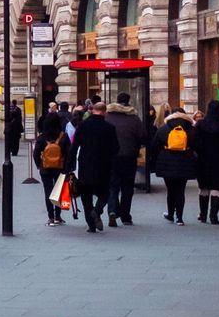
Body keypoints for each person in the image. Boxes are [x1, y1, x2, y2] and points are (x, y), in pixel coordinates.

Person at [73, 100, 119, 232]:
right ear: (105, 112)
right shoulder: (109, 127)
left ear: (93, 110)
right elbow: (116, 148)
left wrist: (69, 165)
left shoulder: (83, 125)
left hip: (85, 165)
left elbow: (75, 146)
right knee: (105, 193)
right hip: (103, 165)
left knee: (86, 196)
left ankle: (91, 225)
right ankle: (97, 210)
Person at [149, 104, 198, 224]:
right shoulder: (191, 129)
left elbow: (154, 147)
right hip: (185, 163)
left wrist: (155, 161)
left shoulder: (163, 129)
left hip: (167, 163)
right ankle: (179, 218)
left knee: (170, 190)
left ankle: (170, 214)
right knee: (181, 191)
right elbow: (199, 146)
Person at [104, 93, 147, 227]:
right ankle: (125, 216)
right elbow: (143, 136)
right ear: (129, 101)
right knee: (127, 188)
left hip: (111, 157)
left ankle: (112, 211)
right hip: (129, 157)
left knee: (112, 187)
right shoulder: (134, 118)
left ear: (116, 101)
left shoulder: (108, 117)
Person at [31, 107, 73, 226]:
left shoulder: (42, 137)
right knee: (58, 192)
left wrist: (39, 165)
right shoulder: (63, 137)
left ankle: (50, 217)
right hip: (60, 169)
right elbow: (69, 154)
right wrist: (67, 168)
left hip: (45, 168)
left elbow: (35, 153)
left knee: (48, 192)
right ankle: (58, 216)